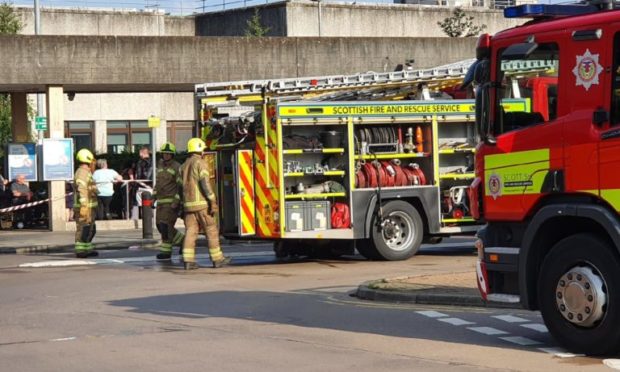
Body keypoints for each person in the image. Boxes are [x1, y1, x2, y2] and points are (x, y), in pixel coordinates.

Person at [178, 138, 230, 270]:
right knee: (211, 230)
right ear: (200, 150)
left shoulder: (182, 166)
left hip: (188, 206)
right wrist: (212, 201)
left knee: (190, 232)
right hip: (202, 204)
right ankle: (217, 259)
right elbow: (205, 184)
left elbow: (179, 187)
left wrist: (182, 204)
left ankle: (188, 260)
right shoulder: (201, 163)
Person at [153, 142, 185, 260]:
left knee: (166, 226)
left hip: (171, 201)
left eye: (169, 154)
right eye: (164, 154)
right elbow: (158, 183)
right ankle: (182, 240)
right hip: (161, 201)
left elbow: (180, 186)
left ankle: (166, 251)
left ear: (172, 155)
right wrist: (153, 197)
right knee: (159, 225)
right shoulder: (160, 166)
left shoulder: (177, 167)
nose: (166, 156)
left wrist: (176, 201)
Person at [73, 148, 98, 258]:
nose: (93, 163)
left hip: (89, 206)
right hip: (84, 207)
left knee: (90, 228)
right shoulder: (82, 172)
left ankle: (87, 248)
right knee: (83, 228)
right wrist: (84, 205)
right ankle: (81, 250)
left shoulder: (86, 172)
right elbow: (81, 189)